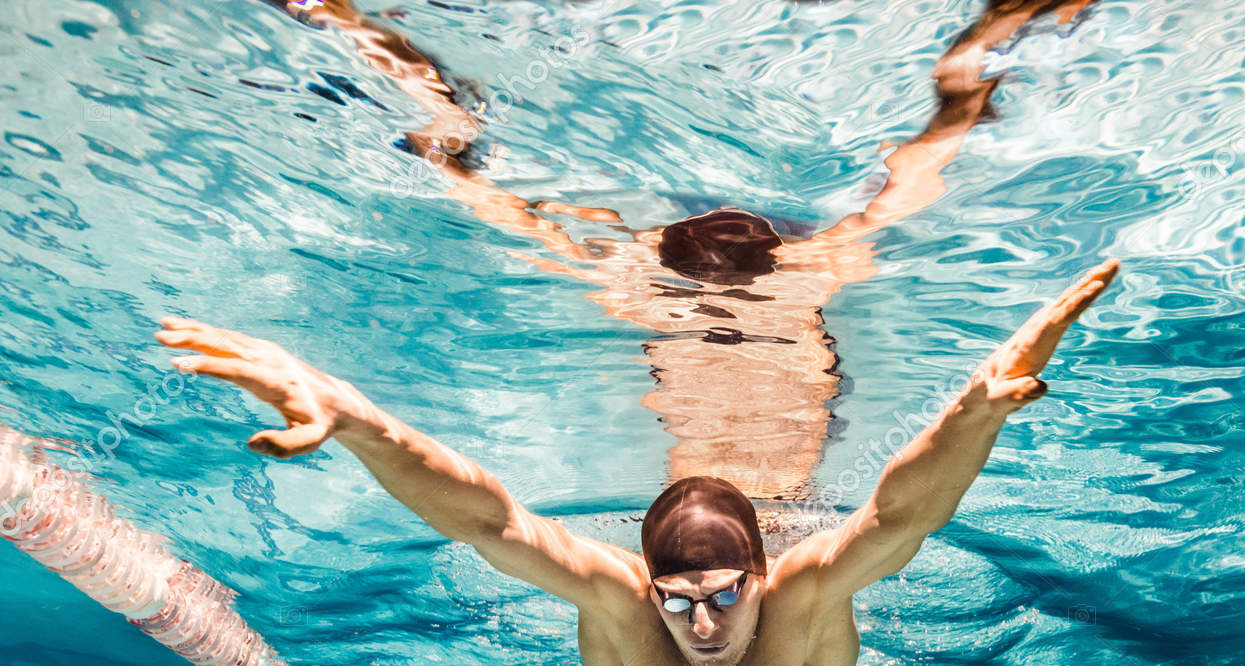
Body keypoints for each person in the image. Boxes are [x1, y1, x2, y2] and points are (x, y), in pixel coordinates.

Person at [156, 258, 1117, 666]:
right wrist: (363, 423)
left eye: (726, 591)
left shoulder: (807, 593)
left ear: (762, 571)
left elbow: (899, 514)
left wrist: (979, 404)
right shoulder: (618, 604)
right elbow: (490, 518)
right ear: (648, 582)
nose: (702, 619)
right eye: (679, 596)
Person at [261, 0, 1097, 502]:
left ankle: (970, 70)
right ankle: (971, 68)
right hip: (721, 287)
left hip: (718, 288)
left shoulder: (748, 309)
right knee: (475, 185)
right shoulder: (760, 316)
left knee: (481, 190)